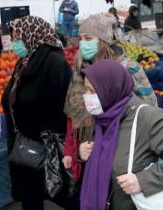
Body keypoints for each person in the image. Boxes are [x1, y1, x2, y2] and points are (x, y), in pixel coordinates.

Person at [78, 59, 163, 210]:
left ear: (110, 89)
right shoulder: (101, 117)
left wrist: (143, 180)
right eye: (86, 90)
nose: (86, 96)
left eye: (92, 91)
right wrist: (84, 155)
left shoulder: (147, 117)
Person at [1, 16, 79, 210]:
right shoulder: (24, 62)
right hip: (24, 146)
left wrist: (59, 143)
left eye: (18, 37)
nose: (15, 42)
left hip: (48, 147)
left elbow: (64, 107)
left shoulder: (55, 63)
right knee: (31, 197)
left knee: (62, 193)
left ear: (31, 35)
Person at [62, 13, 157, 179]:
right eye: (81, 38)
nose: (83, 43)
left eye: (89, 38)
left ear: (103, 40)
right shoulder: (79, 73)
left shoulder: (127, 68)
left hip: (123, 149)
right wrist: (70, 150)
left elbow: (149, 108)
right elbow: (73, 116)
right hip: (88, 150)